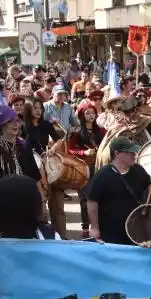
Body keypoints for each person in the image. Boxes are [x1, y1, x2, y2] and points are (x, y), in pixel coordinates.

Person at [0, 104, 42, 229]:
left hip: (22, 200)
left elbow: (33, 175)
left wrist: (39, 200)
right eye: (10, 121)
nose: (15, 124)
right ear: (1, 124)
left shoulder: (24, 144)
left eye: (17, 121)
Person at [87, 136, 151, 244]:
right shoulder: (102, 175)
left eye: (134, 151)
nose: (134, 154)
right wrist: (94, 228)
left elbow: (149, 188)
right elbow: (92, 201)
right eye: (129, 152)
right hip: (111, 234)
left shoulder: (138, 170)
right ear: (117, 153)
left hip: (136, 231)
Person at [67, 100, 106, 238]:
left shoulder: (102, 130)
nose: (90, 115)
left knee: (100, 197)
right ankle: (85, 225)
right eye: (87, 113)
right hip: (83, 168)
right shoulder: (76, 132)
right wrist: (84, 153)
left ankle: (99, 225)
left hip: (99, 166)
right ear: (82, 116)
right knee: (85, 198)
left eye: (92, 112)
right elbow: (70, 150)